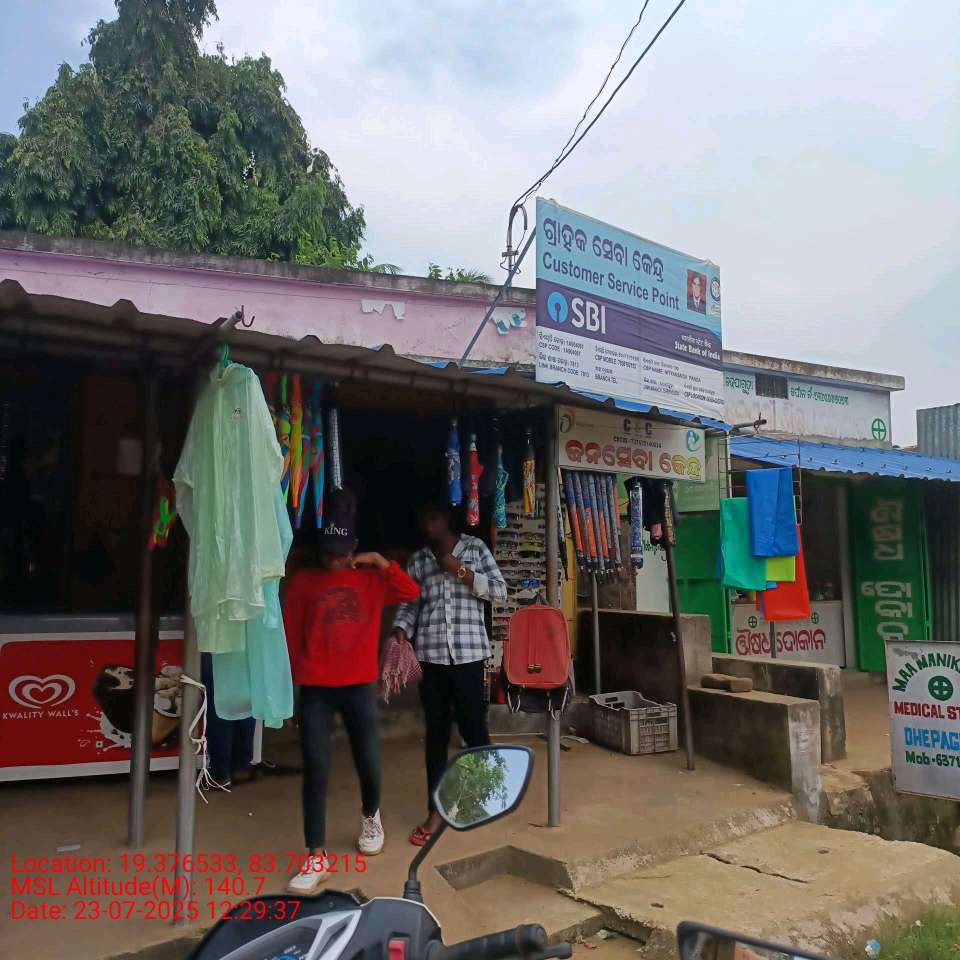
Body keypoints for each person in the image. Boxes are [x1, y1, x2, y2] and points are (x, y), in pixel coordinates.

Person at [282, 489, 419, 894]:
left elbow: (410, 592)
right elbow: (290, 637)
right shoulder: (304, 582)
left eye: (341, 553)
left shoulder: (370, 579)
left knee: (368, 761)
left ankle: (371, 816)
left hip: (359, 686)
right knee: (315, 769)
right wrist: (290, 693)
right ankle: (316, 855)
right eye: (328, 552)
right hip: (316, 689)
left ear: (354, 547)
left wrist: (381, 562)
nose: (334, 560)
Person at [390, 502, 507, 846]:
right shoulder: (418, 561)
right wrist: (400, 630)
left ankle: (487, 797)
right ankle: (437, 810)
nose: (427, 524)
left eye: (433, 517)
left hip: (468, 657)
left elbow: (499, 591)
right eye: (422, 518)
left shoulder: (475, 548)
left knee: (474, 730)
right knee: (437, 736)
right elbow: (410, 604)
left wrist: (460, 571)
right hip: (431, 658)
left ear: (447, 518)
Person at [200, 653, 257, 786]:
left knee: (216, 694)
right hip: (245, 644)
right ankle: (241, 767)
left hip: (215, 644)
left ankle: (220, 773)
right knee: (244, 691)